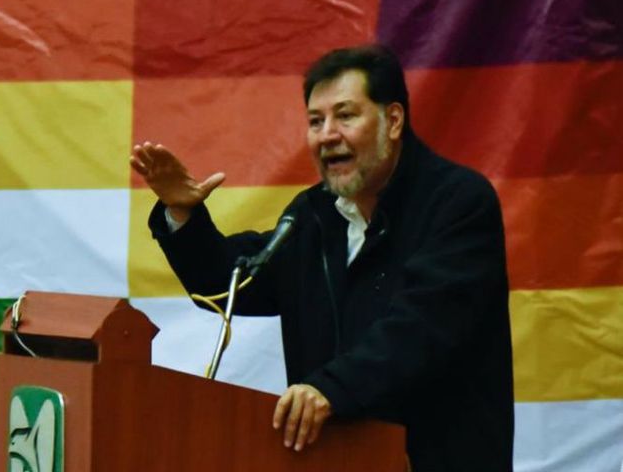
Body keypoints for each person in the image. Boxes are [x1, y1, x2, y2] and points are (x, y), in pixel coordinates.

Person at [130, 45, 514, 471]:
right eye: (316, 121)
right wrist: (183, 214)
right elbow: (229, 284)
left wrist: (330, 389)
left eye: (345, 116)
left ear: (393, 121)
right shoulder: (313, 215)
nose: (328, 134)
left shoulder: (458, 203)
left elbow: (422, 328)